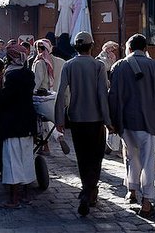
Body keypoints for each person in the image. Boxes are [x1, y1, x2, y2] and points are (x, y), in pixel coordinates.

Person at [109, 33, 155, 218]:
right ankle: (147, 201)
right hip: (148, 120)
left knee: (131, 157)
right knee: (147, 161)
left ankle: (131, 191)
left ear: (129, 48)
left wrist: (113, 122)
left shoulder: (119, 66)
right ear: (145, 49)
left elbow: (113, 96)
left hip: (126, 121)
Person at [54, 31, 112, 216]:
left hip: (76, 118)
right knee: (96, 157)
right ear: (92, 45)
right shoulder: (98, 66)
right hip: (95, 119)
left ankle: (88, 190)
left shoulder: (69, 65)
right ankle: (88, 192)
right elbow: (103, 94)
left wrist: (59, 120)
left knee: (82, 157)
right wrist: (108, 121)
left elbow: (61, 92)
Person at [0, 44, 37, 208]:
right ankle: (26, 195)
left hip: (13, 123)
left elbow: (5, 99)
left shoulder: (11, 75)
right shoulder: (29, 74)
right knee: (26, 160)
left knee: (13, 161)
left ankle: (13, 199)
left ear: (10, 58)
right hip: (27, 122)